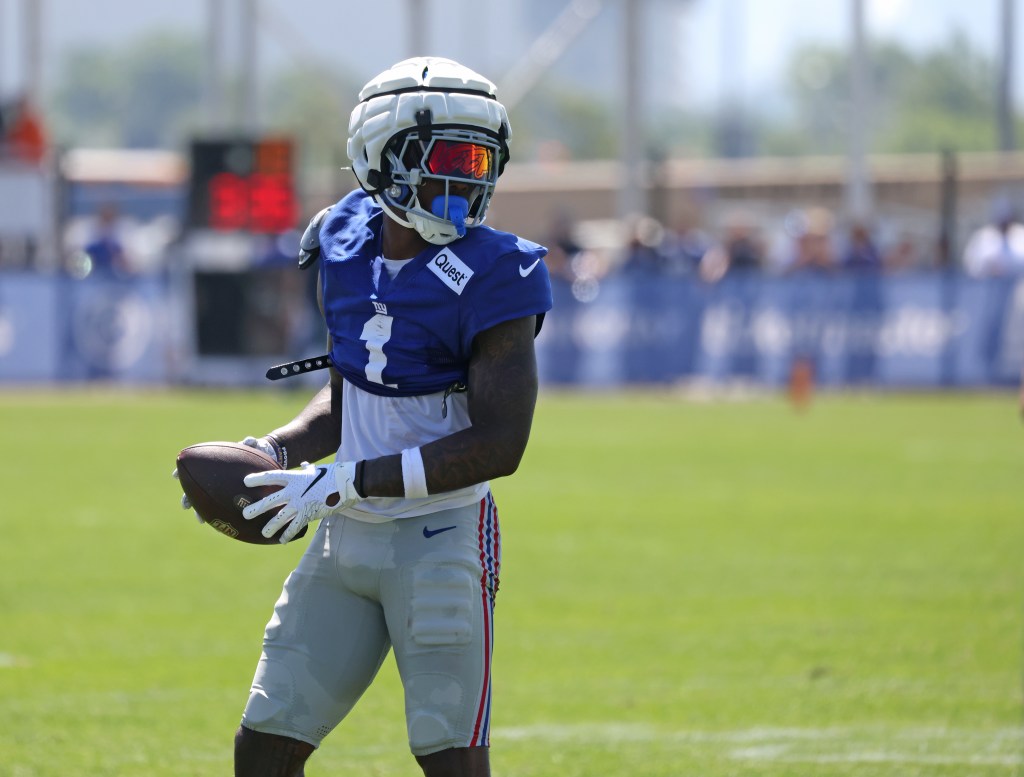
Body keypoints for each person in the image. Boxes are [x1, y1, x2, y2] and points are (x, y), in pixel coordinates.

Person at [175, 57, 552, 777]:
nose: (463, 182)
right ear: (378, 156)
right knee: (264, 742)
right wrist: (280, 451)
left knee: (450, 758)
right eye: (442, 159)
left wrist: (345, 481)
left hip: (442, 538)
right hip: (344, 540)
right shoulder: (342, 239)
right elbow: (353, 386)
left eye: (477, 160)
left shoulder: (501, 269)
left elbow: (502, 442)